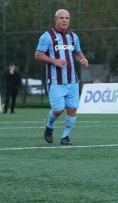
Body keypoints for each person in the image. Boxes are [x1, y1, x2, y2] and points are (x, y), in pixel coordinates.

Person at [35, 9, 89, 146]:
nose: (64, 20)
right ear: (55, 20)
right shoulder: (47, 36)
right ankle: (49, 126)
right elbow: (38, 55)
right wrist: (54, 61)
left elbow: (77, 53)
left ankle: (65, 137)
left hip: (72, 81)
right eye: (61, 18)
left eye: (67, 18)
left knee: (72, 109)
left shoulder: (73, 37)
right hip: (55, 81)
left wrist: (83, 59)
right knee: (58, 110)